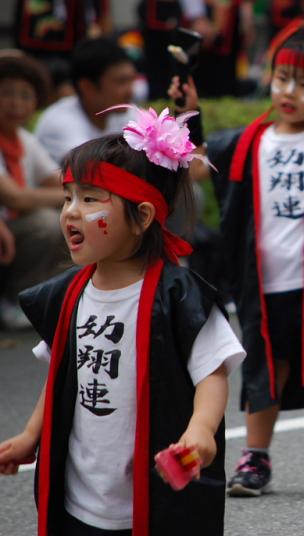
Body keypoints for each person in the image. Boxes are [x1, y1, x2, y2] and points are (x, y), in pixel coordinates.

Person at [0, 107, 245, 535]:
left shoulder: (179, 296)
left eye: (91, 198)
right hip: (79, 494)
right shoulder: (67, 294)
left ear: (143, 217)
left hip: (150, 494)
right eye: (68, 197)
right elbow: (60, 371)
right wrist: (30, 435)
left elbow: (213, 372)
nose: (72, 212)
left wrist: (201, 430)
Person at [182, 10, 304, 498]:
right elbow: (194, 167)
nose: (288, 92)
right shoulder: (248, 141)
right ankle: (255, 456)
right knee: (265, 370)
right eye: (282, 79)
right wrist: (187, 112)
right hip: (265, 281)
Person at [0, 52, 67, 329]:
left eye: (25, 96)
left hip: (11, 228)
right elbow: (15, 197)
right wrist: (74, 196)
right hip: (8, 228)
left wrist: (96, 186)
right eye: (7, 94)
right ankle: (18, 300)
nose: (17, 103)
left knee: (74, 216)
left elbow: (57, 178)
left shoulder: (23, 139)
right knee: (45, 222)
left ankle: (52, 296)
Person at [35, 38, 138, 164]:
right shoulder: (60, 122)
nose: (131, 91)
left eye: (132, 80)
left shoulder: (128, 113)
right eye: (121, 81)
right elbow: (89, 172)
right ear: (87, 87)